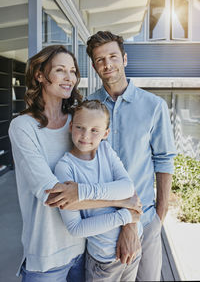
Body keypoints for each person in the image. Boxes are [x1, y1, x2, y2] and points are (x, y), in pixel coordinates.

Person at [45, 31, 177, 281]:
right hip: (98, 221)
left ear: (124, 59)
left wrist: (159, 214)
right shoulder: (86, 107)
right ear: (94, 66)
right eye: (100, 60)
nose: (107, 64)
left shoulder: (153, 106)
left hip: (145, 217)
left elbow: (164, 160)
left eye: (113, 56)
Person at [9, 45, 141, 282]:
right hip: (47, 257)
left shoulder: (79, 123)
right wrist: (123, 203)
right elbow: (54, 196)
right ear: (40, 75)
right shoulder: (23, 127)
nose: (69, 77)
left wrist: (127, 213)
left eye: (72, 71)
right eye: (60, 70)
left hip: (85, 251)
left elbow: (116, 178)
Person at [54, 100, 143, 282]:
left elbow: (127, 188)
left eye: (95, 130)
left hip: (134, 247)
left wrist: (81, 192)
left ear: (105, 133)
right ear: (71, 126)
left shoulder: (105, 150)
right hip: (103, 259)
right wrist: (126, 215)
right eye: (80, 127)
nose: (86, 135)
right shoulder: (65, 168)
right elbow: (76, 228)